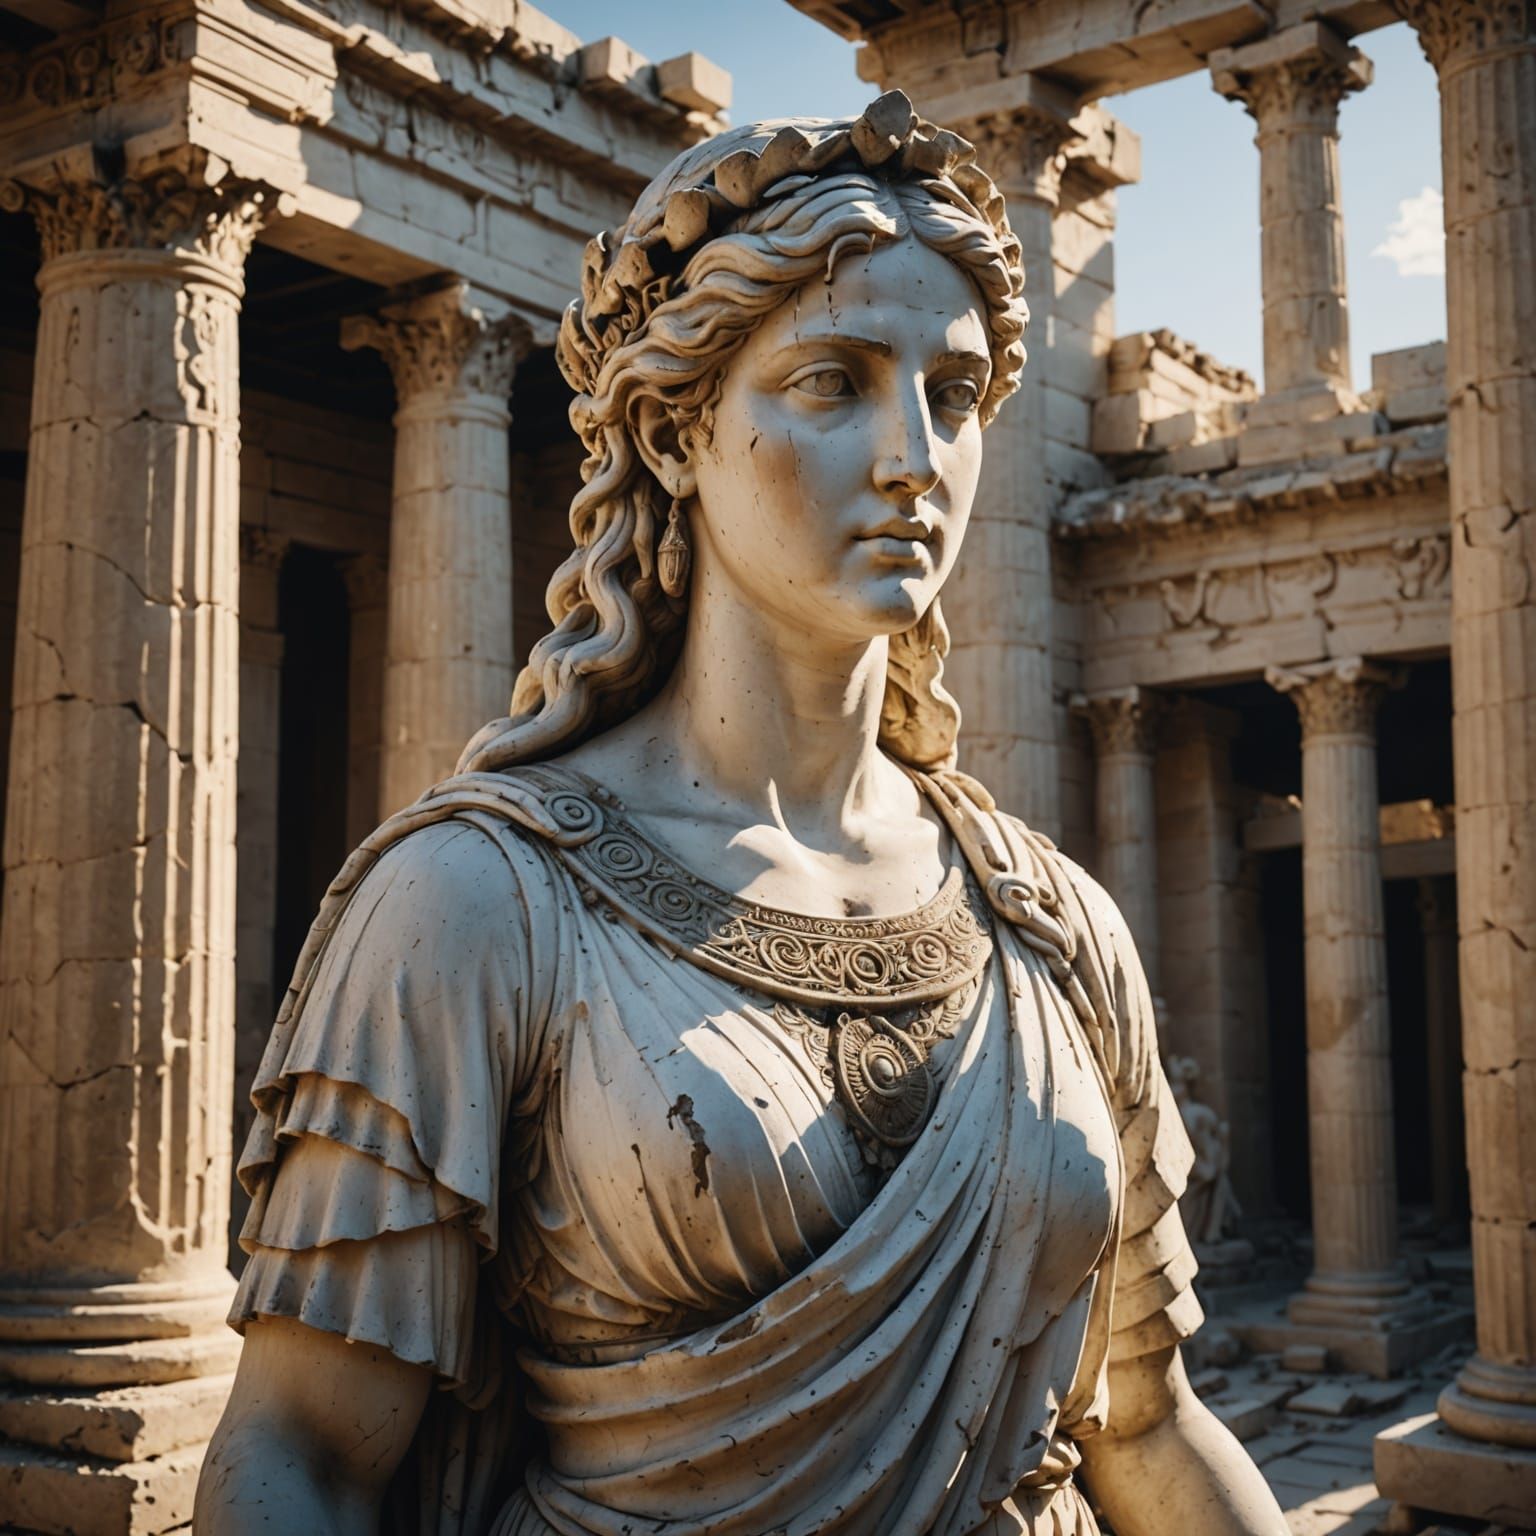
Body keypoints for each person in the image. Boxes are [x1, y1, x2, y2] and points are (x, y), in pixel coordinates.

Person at [196, 91, 1287, 1536]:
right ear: (670, 433)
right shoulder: (478, 901)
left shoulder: (1053, 922)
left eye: (953, 396)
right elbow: (301, 1461)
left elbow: (1147, 1431)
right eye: (834, 383)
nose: (915, 458)